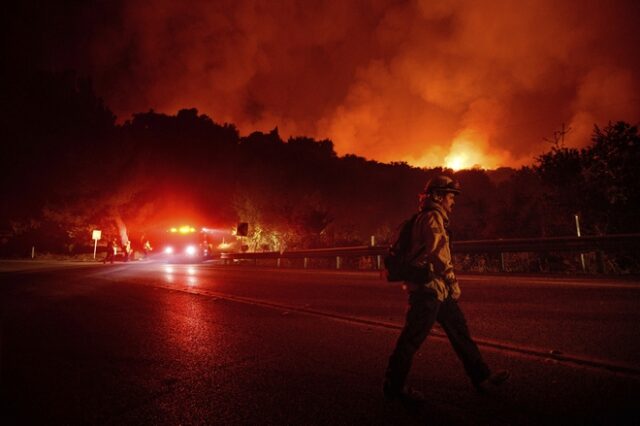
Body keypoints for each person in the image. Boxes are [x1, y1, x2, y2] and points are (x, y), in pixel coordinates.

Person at [383, 175, 510, 404]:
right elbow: (439, 255)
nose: (454, 202)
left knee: (459, 332)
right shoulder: (432, 218)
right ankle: (393, 388)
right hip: (428, 290)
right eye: (451, 196)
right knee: (411, 340)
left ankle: (482, 379)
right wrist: (453, 282)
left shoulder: (427, 216)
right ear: (438, 196)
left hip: (436, 289)